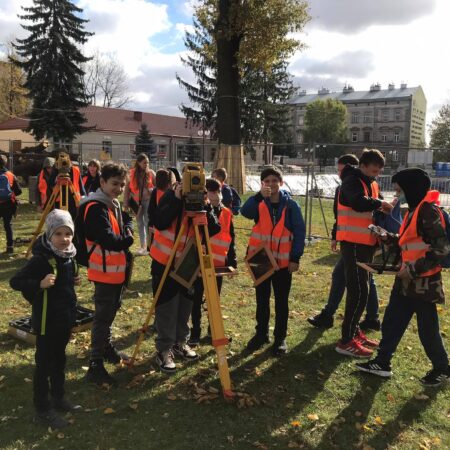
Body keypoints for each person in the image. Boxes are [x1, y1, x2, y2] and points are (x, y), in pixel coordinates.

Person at [356, 169, 450, 386]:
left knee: (428, 329)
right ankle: (382, 361)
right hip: (406, 278)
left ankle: (442, 369)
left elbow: (442, 249)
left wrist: (414, 269)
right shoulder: (414, 210)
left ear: (412, 188)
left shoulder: (428, 211)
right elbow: (410, 241)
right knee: (392, 320)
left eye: (400, 188)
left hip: (423, 281)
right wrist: (388, 237)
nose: (397, 193)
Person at [10, 209, 81, 429]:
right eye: (58, 234)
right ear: (49, 235)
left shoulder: (69, 256)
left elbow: (65, 289)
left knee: (59, 361)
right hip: (45, 323)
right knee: (44, 365)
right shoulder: (41, 259)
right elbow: (16, 281)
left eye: (67, 233)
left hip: (64, 320)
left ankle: (58, 397)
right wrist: (39, 284)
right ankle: (42, 408)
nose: (64, 239)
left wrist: (73, 282)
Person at [149, 172, 220, 373]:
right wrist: (176, 198)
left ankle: (180, 342)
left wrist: (205, 205)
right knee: (167, 307)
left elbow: (213, 228)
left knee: (185, 305)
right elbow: (159, 221)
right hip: (166, 263)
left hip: (189, 263)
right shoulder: (171, 196)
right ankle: (163, 350)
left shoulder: (202, 201)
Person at [307, 154, 381, 331]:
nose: (340, 174)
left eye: (342, 170)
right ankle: (332, 314)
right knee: (342, 276)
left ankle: (361, 322)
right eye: (338, 170)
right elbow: (340, 215)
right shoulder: (353, 184)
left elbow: (360, 209)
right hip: (354, 241)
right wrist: (335, 235)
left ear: (358, 167)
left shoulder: (358, 184)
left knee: (362, 282)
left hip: (357, 242)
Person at [241, 166, 305, 356]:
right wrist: (259, 196)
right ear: (262, 184)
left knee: (281, 301)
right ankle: (261, 334)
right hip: (261, 259)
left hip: (284, 263)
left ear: (281, 183)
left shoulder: (291, 205)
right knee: (262, 299)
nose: (270, 184)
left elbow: (299, 232)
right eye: (266, 181)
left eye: (274, 181)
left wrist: (295, 258)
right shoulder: (259, 202)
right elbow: (245, 212)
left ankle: (280, 338)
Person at [335, 149, 393, 358]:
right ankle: (346, 341)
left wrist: (383, 206)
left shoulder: (371, 182)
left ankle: (353, 331)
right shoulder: (352, 181)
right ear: (363, 165)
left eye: (378, 171)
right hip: (353, 243)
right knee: (358, 292)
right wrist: (379, 204)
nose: (376, 174)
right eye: (374, 170)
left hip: (365, 243)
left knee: (362, 290)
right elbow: (358, 203)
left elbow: (372, 206)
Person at [81, 163, 134, 385]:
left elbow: (125, 220)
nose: (119, 189)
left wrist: (127, 226)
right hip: (104, 271)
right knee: (103, 317)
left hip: (114, 270)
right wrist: (128, 239)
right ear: (102, 183)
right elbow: (109, 240)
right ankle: (95, 363)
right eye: (114, 184)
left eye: (122, 185)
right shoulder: (95, 207)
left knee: (111, 312)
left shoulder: (111, 204)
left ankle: (106, 348)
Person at [188, 178, 237, 346]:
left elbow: (231, 240)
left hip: (218, 265)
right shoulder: (200, 211)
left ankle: (213, 331)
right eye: (210, 191)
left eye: (216, 191)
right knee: (195, 300)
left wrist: (233, 262)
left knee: (213, 301)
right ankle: (195, 333)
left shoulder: (227, 213)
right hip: (200, 263)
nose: (213, 195)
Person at [124, 153, 155, 256]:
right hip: (136, 203)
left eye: (148, 163)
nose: (146, 164)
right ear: (138, 163)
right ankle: (143, 246)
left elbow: (157, 188)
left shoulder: (150, 173)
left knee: (147, 222)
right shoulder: (131, 173)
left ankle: (148, 246)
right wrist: (126, 203)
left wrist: (151, 190)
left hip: (147, 201)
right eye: (144, 162)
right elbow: (127, 190)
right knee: (139, 223)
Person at [48, 154, 86, 219]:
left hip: (74, 200)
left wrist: (84, 197)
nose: (64, 163)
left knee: (73, 219)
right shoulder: (56, 169)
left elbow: (80, 184)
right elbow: (50, 183)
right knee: (61, 220)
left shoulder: (75, 170)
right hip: (60, 199)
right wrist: (57, 175)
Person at [0, 154, 22, 253]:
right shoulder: (10, 175)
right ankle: (10, 247)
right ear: (5, 163)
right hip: (8, 204)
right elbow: (18, 191)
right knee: (8, 225)